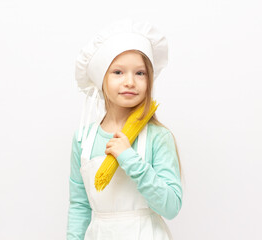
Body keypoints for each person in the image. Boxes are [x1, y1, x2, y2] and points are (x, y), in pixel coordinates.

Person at [67, 18, 183, 240]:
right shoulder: (83, 140)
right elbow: (79, 206)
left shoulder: (158, 137)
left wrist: (129, 159)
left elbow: (171, 206)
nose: (130, 81)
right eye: (118, 72)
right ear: (102, 79)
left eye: (140, 73)